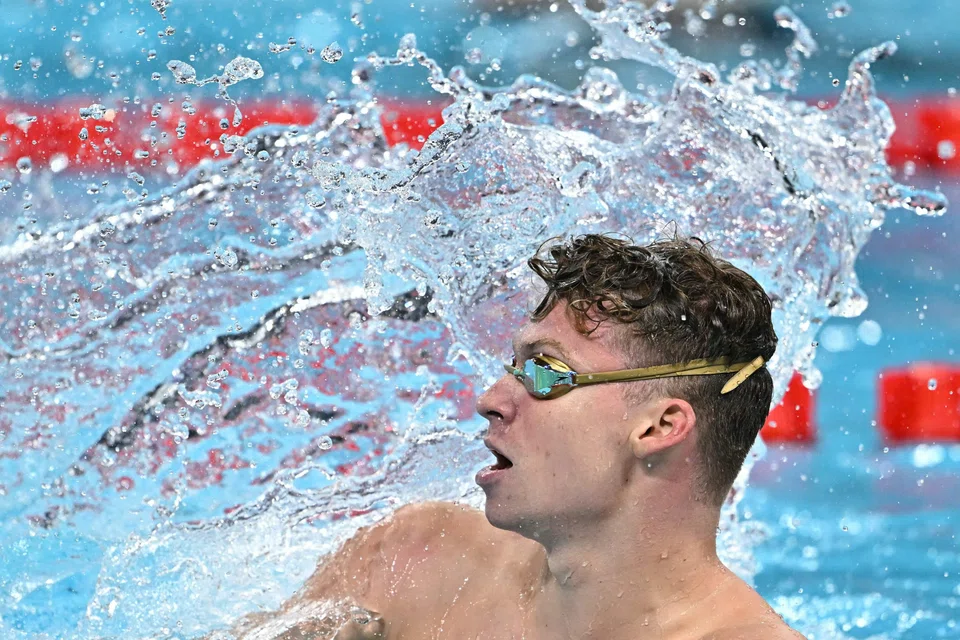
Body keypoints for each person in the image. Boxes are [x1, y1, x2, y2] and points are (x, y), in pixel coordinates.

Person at [228, 234, 805, 640]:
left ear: (658, 427)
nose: (491, 400)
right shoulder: (410, 561)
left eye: (546, 372)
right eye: (514, 365)